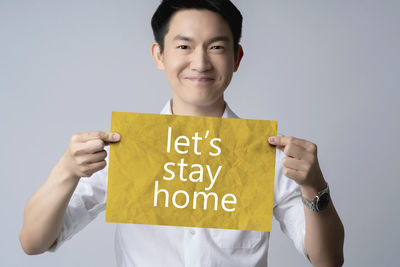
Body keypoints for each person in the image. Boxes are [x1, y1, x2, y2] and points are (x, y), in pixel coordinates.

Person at [19, 0, 344, 266]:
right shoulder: (125, 149)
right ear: (159, 55)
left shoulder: (268, 156)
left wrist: (315, 187)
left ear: (236, 58)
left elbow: (327, 260)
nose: (200, 63)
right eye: (184, 46)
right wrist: (66, 170)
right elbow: (34, 242)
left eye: (216, 46)